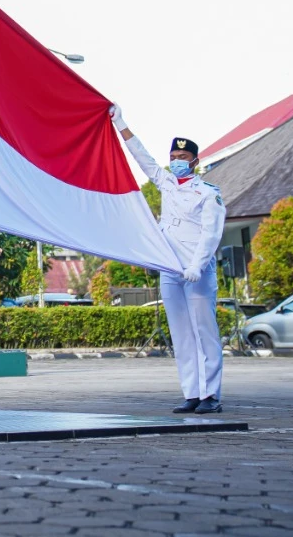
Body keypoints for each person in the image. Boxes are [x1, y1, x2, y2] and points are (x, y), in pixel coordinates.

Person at [110, 105, 226, 414]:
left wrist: (197, 266)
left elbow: (211, 235)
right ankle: (192, 392)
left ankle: (211, 394)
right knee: (181, 333)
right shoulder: (166, 183)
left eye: (182, 159)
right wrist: (120, 122)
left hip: (196, 270)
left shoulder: (207, 193)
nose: (176, 162)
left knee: (204, 332)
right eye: (173, 158)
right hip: (171, 268)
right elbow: (143, 157)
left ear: (195, 162)